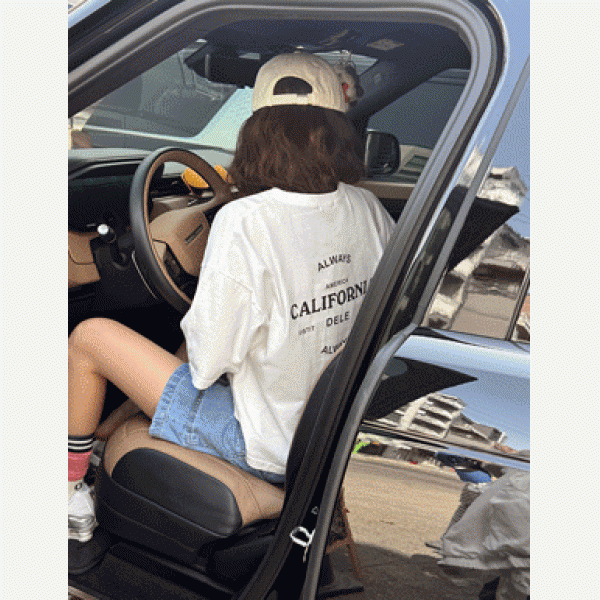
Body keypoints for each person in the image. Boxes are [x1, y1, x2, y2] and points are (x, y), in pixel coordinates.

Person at [68, 52, 395, 547]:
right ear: (337, 132)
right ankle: (97, 438)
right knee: (171, 357)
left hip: (262, 443)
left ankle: (67, 493)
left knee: (92, 338)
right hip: (322, 428)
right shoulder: (367, 208)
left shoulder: (245, 220)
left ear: (256, 132)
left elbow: (207, 364)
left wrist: (207, 301)